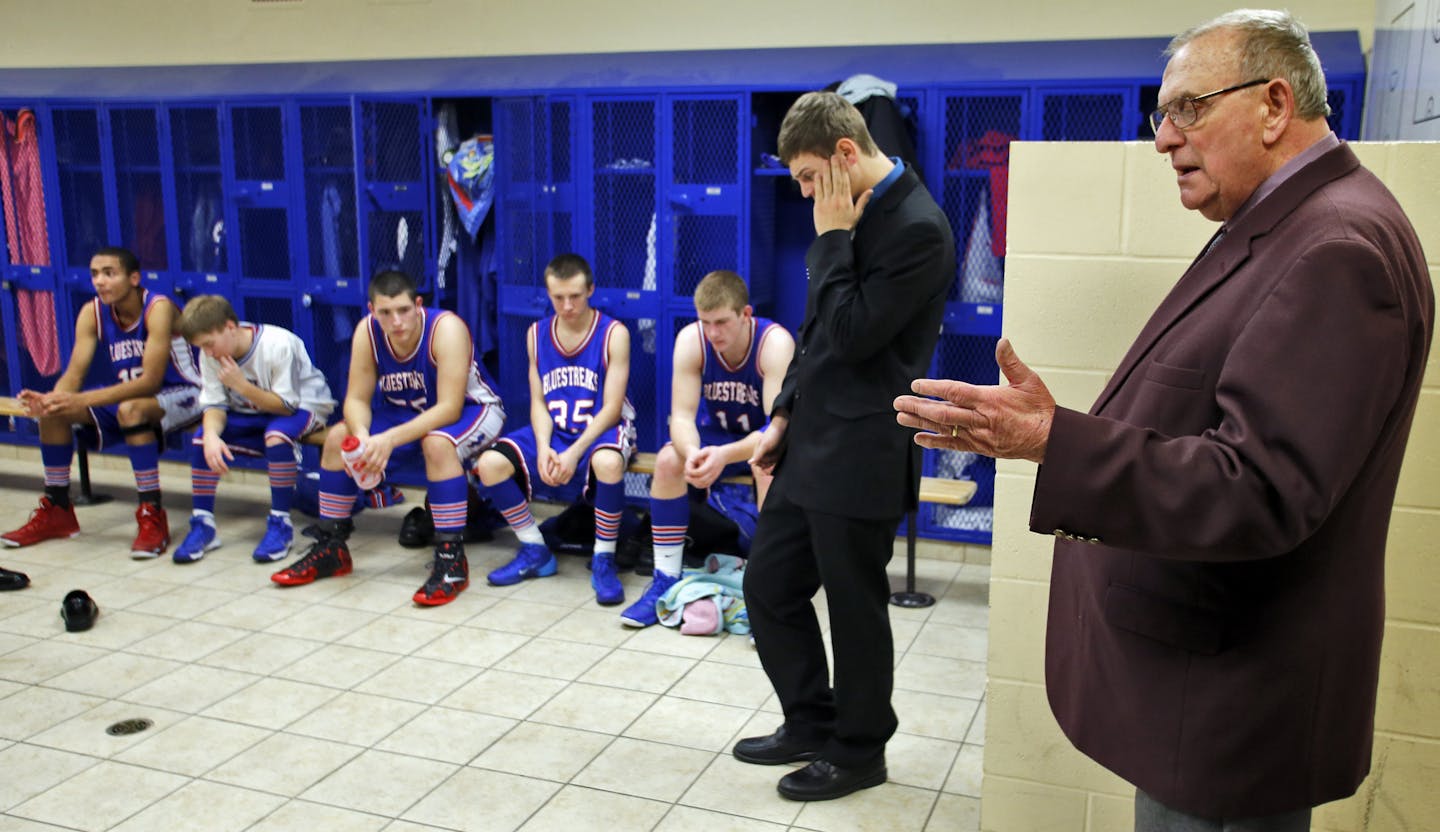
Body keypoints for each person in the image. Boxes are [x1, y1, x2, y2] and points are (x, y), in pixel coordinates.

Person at [894, 11, 1433, 831]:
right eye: (1162, 114)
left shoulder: (1335, 249)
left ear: (1274, 104)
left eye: (1188, 108)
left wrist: (1051, 439)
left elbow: (1258, 489)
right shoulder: (1288, 223)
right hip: (1211, 689)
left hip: (1231, 706)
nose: (1163, 139)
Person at [732, 92, 955, 802]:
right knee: (768, 583)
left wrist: (829, 239)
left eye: (805, 176)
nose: (802, 193)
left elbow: (856, 333)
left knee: (855, 608)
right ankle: (810, 719)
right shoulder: (844, 210)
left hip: (863, 451)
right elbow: (816, 332)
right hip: (811, 442)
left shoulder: (919, 228)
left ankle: (860, 750)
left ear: (845, 156)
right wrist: (784, 415)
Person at [270, 270, 505, 607]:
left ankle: (452, 560)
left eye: (403, 310)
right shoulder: (367, 333)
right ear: (371, 311)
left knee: (437, 443)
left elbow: (449, 409)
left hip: (474, 409)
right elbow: (355, 400)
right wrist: (364, 437)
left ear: (418, 305)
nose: (396, 321)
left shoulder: (446, 328)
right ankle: (332, 548)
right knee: (338, 437)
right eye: (385, 313)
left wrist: (389, 440)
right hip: (408, 414)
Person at [620, 269, 794, 628]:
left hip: (761, 439)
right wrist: (695, 452)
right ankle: (664, 580)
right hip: (714, 437)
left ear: (746, 314)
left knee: (766, 466)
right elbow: (681, 417)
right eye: (705, 322)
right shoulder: (692, 340)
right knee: (669, 459)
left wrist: (723, 456)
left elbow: (774, 428)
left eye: (721, 322)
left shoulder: (774, 343)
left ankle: (766, 591)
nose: (713, 333)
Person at [3, 247, 202, 558]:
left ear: (134, 278)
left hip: (187, 393)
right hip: (133, 396)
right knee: (56, 413)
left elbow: (150, 381)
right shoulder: (91, 312)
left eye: (110, 273)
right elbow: (74, 373)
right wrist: (53, 400)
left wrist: (79, 398)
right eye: (95, 274)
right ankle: (57, 509)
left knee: (130, 409)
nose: (100, 281)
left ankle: (152, 513)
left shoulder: (158, 308)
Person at [475, 253, 636, 606]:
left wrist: (574, 452)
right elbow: (538, 402)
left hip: (599, 430)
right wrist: (546, 447)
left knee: (608, 464)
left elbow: (611, 409)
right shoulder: (536, 334)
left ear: (590, 290)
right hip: (555, 430)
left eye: (575, 296)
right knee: (489, 465)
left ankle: (604, 557)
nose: (567, 305)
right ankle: (535, 550)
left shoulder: (614, 334)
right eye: (558, 297)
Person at [171, 295, 335, 564]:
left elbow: (286, 407)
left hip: (306, 405)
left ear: (230, 327)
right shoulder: (210, 353)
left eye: (210, 344)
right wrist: (211, 435)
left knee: (277, 435)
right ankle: (203, 524)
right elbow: (214, 404)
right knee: (202, 438)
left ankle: (281, 524)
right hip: (252, 410)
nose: (208, 352)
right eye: (202, 347)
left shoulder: (278, 344)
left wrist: (242, 386)